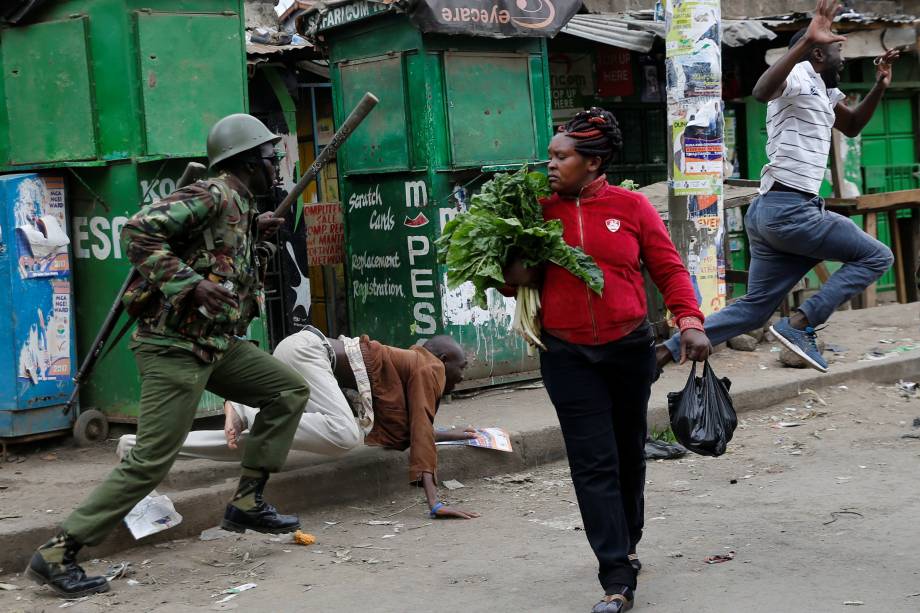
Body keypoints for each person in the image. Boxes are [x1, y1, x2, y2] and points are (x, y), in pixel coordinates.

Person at [25, 115, 310, 598]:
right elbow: (137, 232)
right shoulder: (214, 193)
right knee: (151, 462)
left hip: (216, 346)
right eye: (269, 158)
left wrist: (256, 230)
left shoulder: (238, 206)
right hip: (173, 347)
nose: (275, 167)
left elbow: (216, 250)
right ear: (246, 163)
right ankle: (57, 552)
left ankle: (246, 501)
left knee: (287, 390)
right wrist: (191, 285)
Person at [503, 108, 711, 613]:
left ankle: (629, 538)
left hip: (628, 351)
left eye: (562, 156)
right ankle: (616, 576)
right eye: (550, 155)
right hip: (567, 355)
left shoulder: (632, 207)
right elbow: (512, 282)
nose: (550, 164)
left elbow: (668, 268)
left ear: (593, 162)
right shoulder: (536, 210)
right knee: (592, 464)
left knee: (627, 454)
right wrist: (519, 259)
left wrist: (690, 320)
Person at [657, 0, 897, 374]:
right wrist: (801, 46)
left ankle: (662, 353)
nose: (842, 57)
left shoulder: (820, 88)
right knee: (877, 256)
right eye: (837, 49)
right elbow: (762, 90)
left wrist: (880, 86)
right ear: (817, 51)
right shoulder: (800, 73)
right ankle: (800, 324)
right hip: (791, 211)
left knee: (755, 308)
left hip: (772, 212)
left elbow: (850, 126)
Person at [118, 328, 480, 520]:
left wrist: (452, 434)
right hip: (310, 353)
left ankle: (137, 447)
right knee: (343, 435)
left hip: (299, 352)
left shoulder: (413, 365)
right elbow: (419, 428)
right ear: (443, 358)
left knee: (264, 445)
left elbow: (418, 427)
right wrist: (434, 502)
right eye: (461, 367)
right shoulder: (429, 366)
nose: (462, 376)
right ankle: (245, 410)